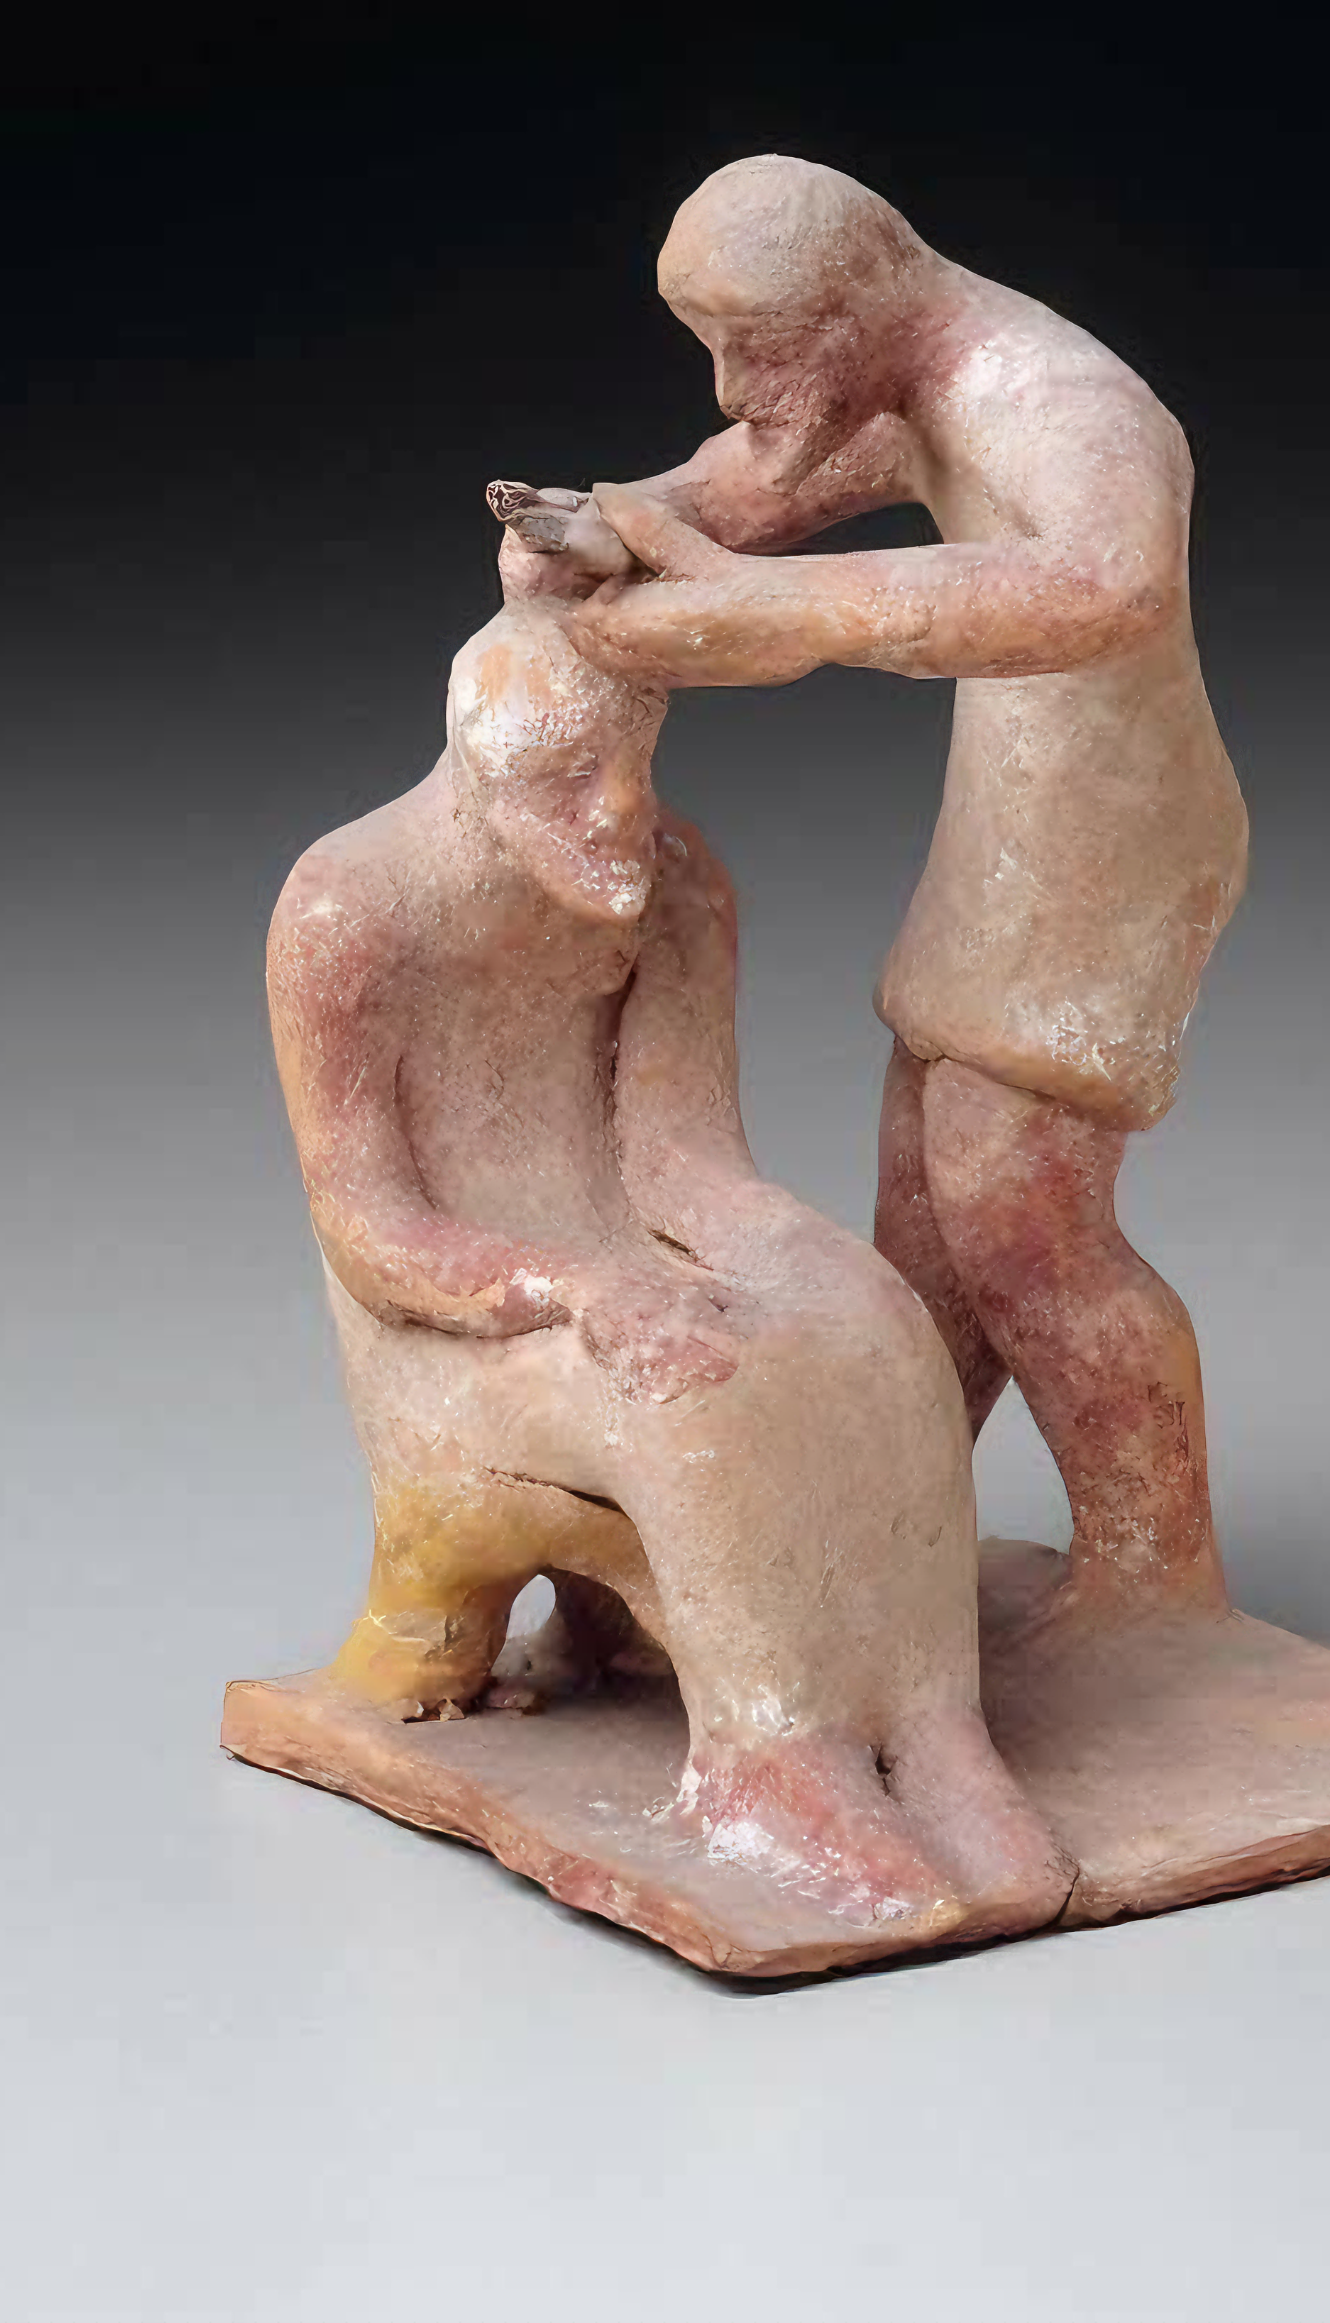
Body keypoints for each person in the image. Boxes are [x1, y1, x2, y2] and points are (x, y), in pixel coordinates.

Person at [264, 481, 1068, 1938]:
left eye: (633, 771)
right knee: (702, 1406)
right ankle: (771, 1759)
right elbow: (371, 1232)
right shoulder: (349, 913)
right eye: (574, 786)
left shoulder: (673, 881)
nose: (620, 816)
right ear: (485, 780)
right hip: (464, 1326)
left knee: (884, 1334)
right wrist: (580, 1291)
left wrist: (812, 1270)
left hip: (634, 1259)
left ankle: (934, 1729)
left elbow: (688, 1157)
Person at [565, 157, 1249, 1605]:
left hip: (1108, 853)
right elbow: (762, 473)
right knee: (928, 1213)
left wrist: (791, 610)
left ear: (858, 302)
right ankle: (899, 1543)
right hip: (1018, 837)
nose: (731, 384)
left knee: (1019, 1213)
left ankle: (1158, 1584)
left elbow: (1109, 583)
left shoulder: (1061, 399)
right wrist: (616, 519)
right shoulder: (914, 378)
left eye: (754, 345)